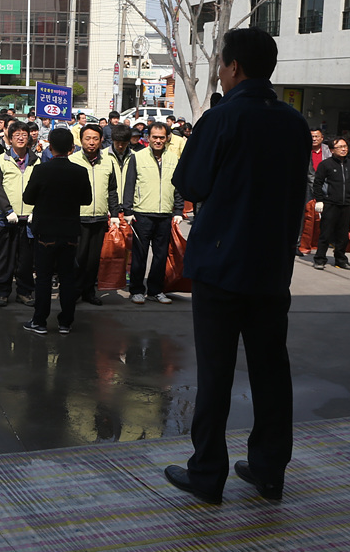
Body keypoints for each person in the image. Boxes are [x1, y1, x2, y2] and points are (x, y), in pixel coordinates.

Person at [164, 27, 309, 505]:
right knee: (271, 370)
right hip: (271, 267)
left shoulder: (223, 117)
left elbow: (192, 184)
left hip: (222, 266)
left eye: (223, 63)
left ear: (234, 67)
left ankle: (208, 473)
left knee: (216, 374)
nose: (221, 71)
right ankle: (269, 471)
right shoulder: (293, 122)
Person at [20, 127, 90, 335]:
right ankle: (65, 322)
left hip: (45, 232)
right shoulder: (80, 171)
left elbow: (28, 198)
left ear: (50, 147)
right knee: (67, 277)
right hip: (69, 232)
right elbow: (86, 200)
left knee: (43, 277)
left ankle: (40, 321)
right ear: (71, 148)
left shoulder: (41, 170)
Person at [121, 122, 184, 304]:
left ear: (167, 138)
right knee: (140, 256)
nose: (158, 141)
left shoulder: (173, 159)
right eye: (154, 137)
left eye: (161, 137)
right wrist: (128, 209)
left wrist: (178, 210)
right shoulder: (137, 157)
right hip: (142, 214)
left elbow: (178, 187)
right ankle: (137, 290)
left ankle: (156, 290)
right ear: (148, 137)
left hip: (164, 214)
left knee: (160, 256)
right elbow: (130, 184)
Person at [70, 123, 122, 306]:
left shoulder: (108, 161)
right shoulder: (73, 160)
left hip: (99, 218)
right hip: (79, 218)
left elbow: (112, 190)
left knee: (93, 260)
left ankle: (89, 292)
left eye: (95, 139)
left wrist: (114, 213)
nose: (91, 142)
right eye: (87, 138)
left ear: (101, 141)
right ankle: (73, 292)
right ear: (81, 140)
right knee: (78, 258)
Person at [0, 122, 39, 306]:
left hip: (29, 220)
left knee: (26, 260)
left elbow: (41, 188)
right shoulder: (1, 160)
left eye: (24, 134)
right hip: (6, 218)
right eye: (16, 134)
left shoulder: (37, 161)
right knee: (5, 258)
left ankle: (24, 292)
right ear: (9, 138)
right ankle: (2, 292)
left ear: (29, 138)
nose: (20, 137)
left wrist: (36, 210)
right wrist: (7, 210)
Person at [311, 137, 350, 271]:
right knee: (325, 233)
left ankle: (340, 259)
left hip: (346, 204)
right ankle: (320, 259)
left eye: (345, 146)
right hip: (330, 203)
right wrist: (320, 200)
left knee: (343, 234)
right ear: (332, 150)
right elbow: (318, 183)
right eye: (340, 147)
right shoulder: (326, 164)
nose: (344, 149)